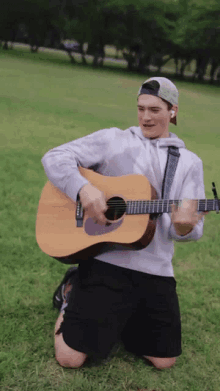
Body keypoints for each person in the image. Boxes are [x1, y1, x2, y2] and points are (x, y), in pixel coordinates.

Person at [41, 77, 207, 370]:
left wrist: (183, 227)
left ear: (173, 111)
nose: (145, 117)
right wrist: (83, 189)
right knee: (70, 358)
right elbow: (55, 157)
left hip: (155, 270)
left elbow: (189, 230)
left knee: (164, 360)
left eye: (155, 109)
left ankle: (119, 318)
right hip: (106, 261)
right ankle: (72, 292)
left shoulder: (189, 162)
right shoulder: (113, 139)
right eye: (141, 108)